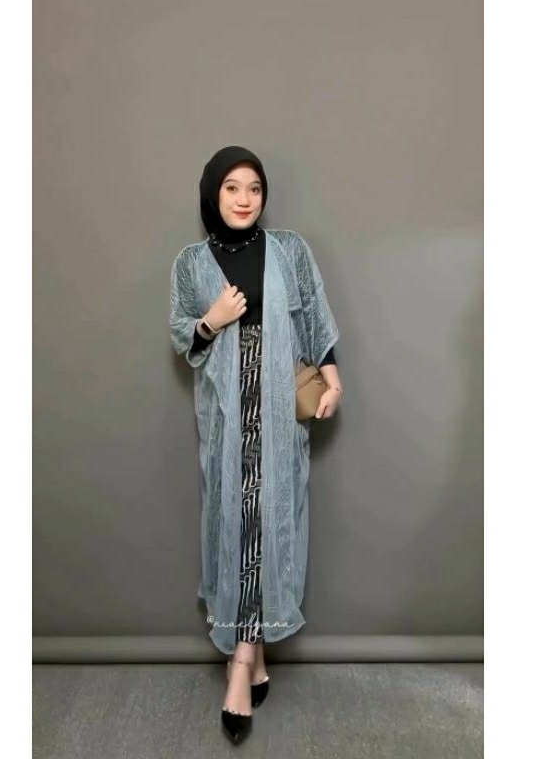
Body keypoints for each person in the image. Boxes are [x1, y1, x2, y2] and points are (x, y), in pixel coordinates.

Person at [169, 145, 343, 744]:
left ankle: (245, 661)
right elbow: (184, 336)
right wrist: (213, 318)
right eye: (232, 188)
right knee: (237, 525)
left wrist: (333, 380)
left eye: (254, 188)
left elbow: (314, 318)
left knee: (269, 525)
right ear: (212, 194)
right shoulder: (192, 263)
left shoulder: (289, 250)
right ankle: (248, 659)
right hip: (227, 418)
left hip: (278, 413)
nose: (245, 199)